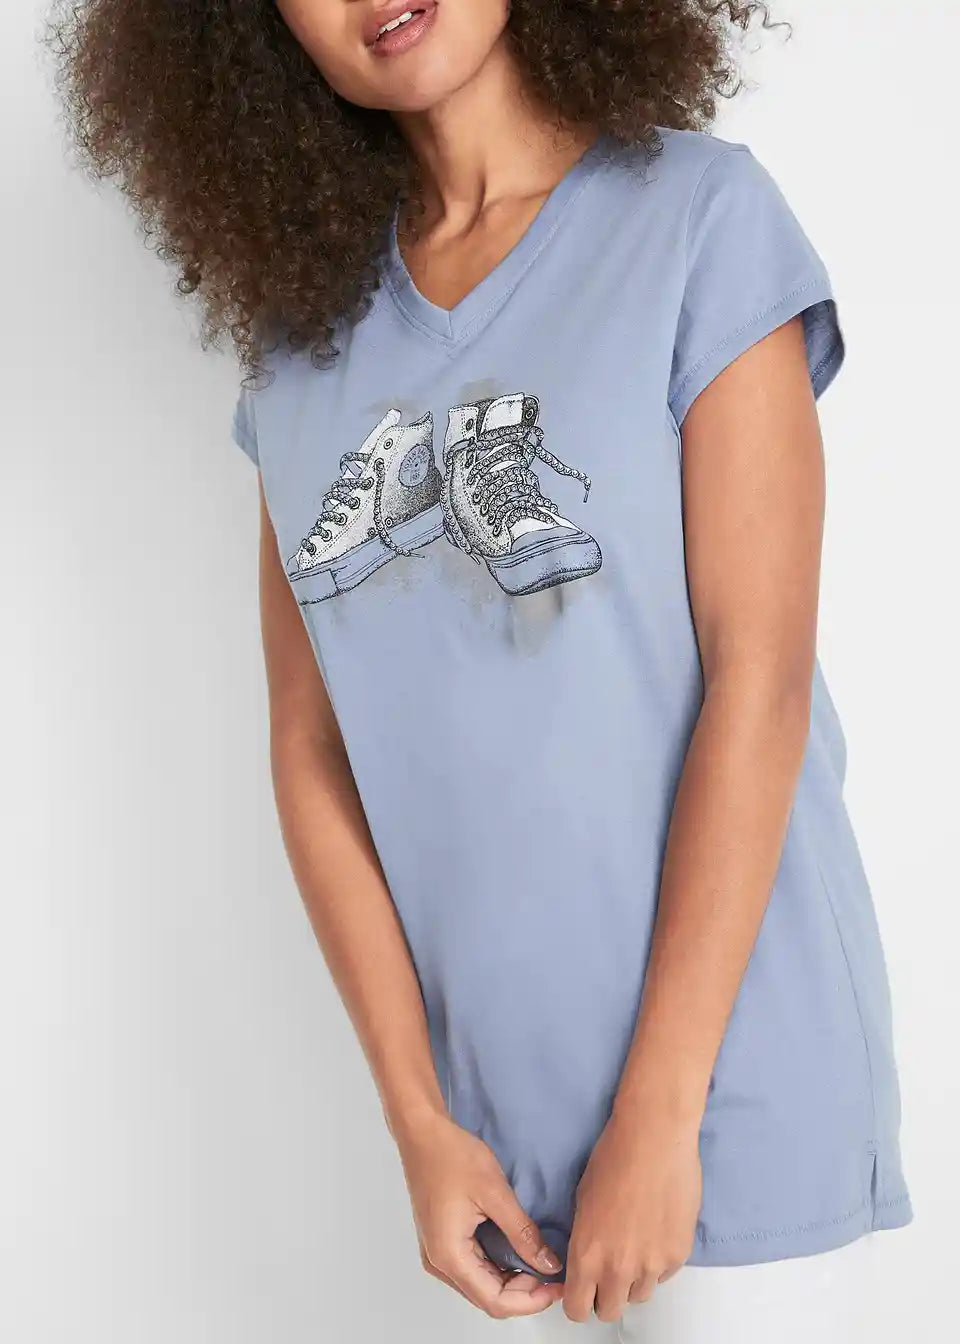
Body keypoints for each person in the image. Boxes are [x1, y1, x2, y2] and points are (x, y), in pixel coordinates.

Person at [51, 0, 912, 1337]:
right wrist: (418, 1124)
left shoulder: (696, 219)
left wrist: (660, 1116)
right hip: (493, 1158)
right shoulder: (297, 345)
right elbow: (313, 749)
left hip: (730, 1104)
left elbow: (763, 682)